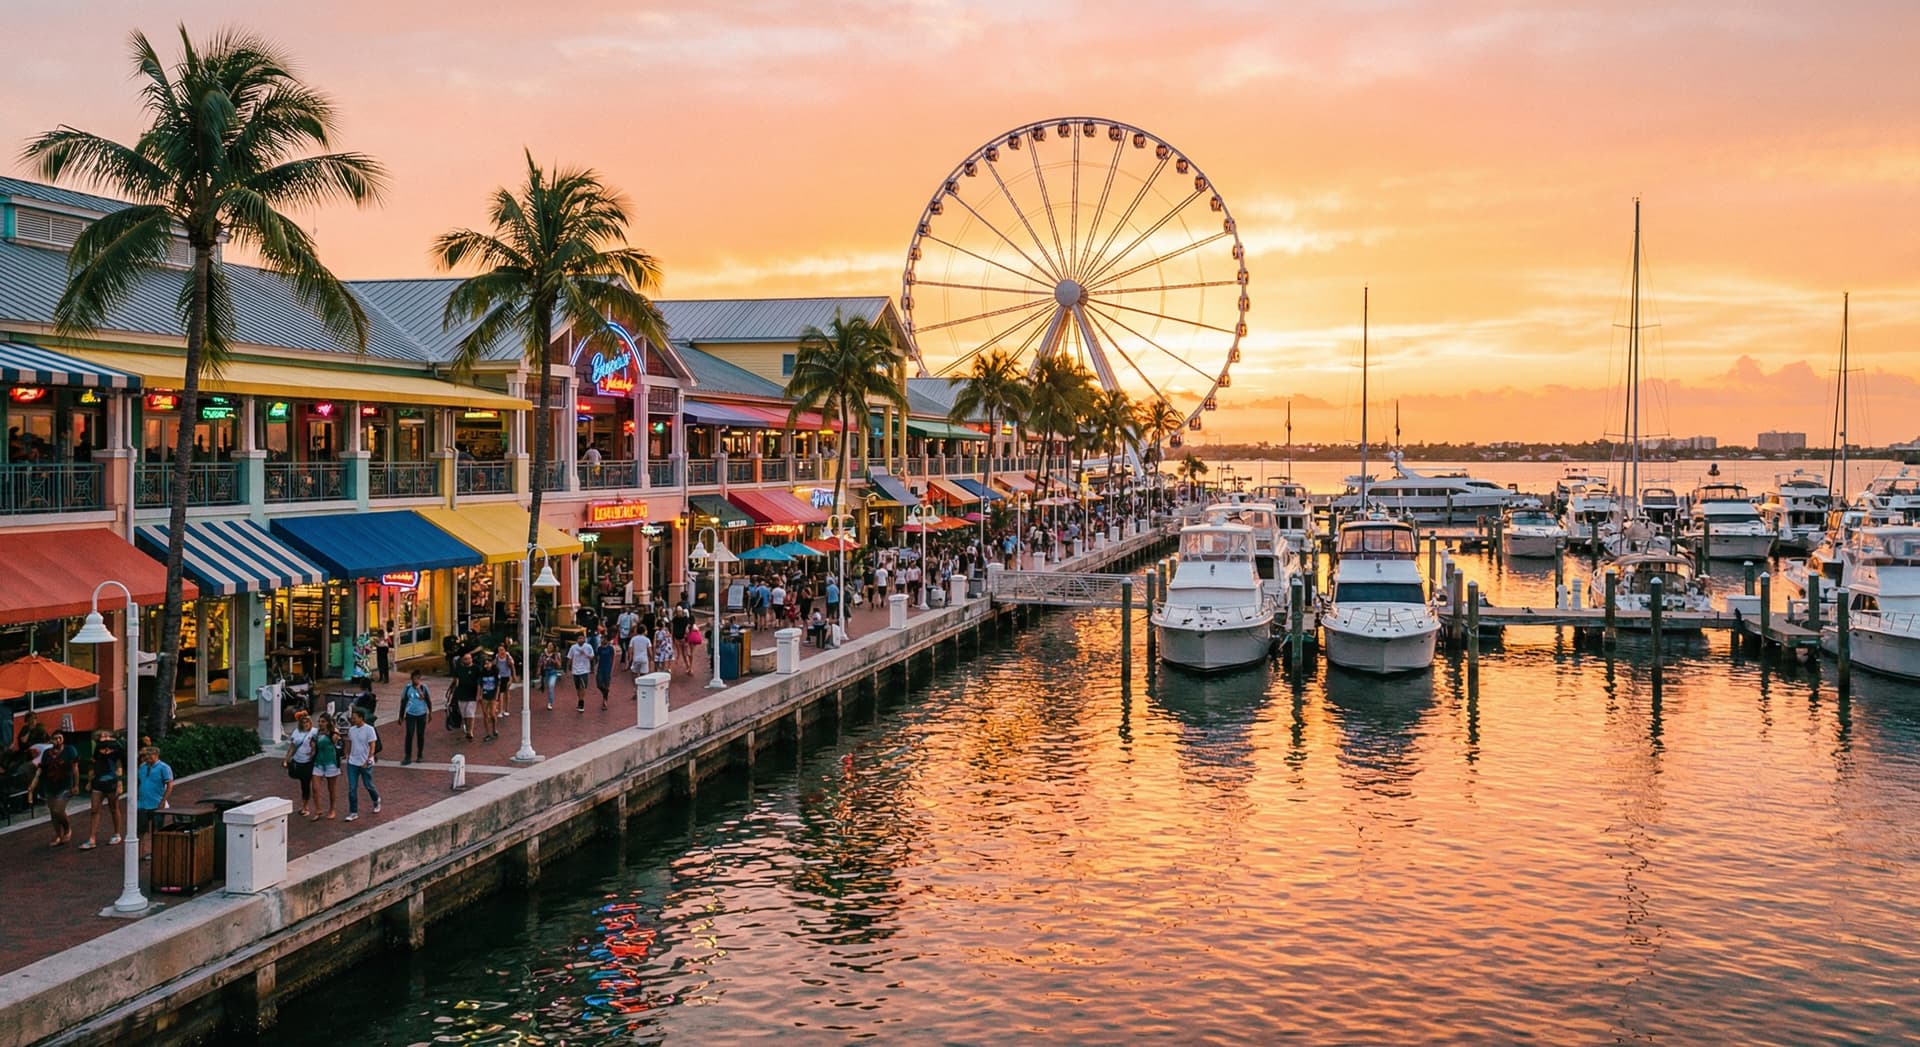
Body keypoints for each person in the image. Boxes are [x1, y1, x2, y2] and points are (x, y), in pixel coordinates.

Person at [27, 730, 79, 847]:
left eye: (60, 738)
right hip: (50, 786)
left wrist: (76, 785)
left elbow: (75, 768)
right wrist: (32, 785)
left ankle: (67, 829)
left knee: (58, 810)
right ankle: (58, 835)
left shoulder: (70, 750)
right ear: (51, 740)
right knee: (53, 813)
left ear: (63, 739)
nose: (57, 740)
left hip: (65, 785)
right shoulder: (47, 753)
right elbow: (40, 770)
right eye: (55, 738)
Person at [79, 730, 125, 849]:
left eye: (105, 735)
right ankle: (92, 838)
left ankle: (116, 833)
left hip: (112, 781)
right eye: (101, 736)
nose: (103, 737)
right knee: (94, 810)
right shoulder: (97, 749)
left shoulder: (117, 748)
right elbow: (93, 764)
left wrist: (119, 782)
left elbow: (119, 764)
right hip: (98, 781)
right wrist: (90, 781)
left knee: (114, 808)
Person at [343, 708, 381, 822]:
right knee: (352, 788)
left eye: (355, 718)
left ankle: (376, 799)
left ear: (361, 718)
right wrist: (347, 754)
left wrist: (368, 759)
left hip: (365, 762)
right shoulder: (352, 730)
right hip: (353, 762)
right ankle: (353, 812)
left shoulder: (369, 730)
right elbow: (350, 742)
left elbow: (372, 745)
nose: (353, 720)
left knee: (368, 784)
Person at [135, 745, 173, 859]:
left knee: (156, 829)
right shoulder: (142, 767)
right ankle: (140, 852)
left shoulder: (164, 767)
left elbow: (169, 785)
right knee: (141, 830)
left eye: (148, 755)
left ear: (156, 755)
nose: (146, 757)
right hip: (142, 804)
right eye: (145, 755)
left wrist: (163, 801)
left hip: (156, 804)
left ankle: (155, 852)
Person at [285, 712, 319, 818]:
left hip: (308, 762)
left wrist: (314, 750)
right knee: (301, 783)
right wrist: (286, 759)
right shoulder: (296, 732)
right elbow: (292, 747)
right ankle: (305, 804)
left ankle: (306, 806)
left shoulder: (314, 732)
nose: (306, 724)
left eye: (307, 722)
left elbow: (320, 742)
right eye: (303, 722)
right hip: (297, 760)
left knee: (306, 784)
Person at [313, 713, 342, 818]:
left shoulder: (333, 733)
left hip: (331, 763)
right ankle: (318, 810)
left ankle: (332, 809)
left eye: (323, 721)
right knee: (315, 788)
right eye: (319, 721)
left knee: (331, 788)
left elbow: (339, 744)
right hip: (318, 762)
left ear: (328, 723)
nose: (320, 724)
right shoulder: (317, 733)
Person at [400, 670, 431, 765]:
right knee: (409, 734)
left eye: (417, 678)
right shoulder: (408, 688)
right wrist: (401, 715)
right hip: (410, 714)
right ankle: (407, 756)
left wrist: (430, 713)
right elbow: (403, 701)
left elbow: (428, 700)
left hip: (422, 714)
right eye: (414, 678)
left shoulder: (423, 687)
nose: (415, 680)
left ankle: (420, 755)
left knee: (420, 735)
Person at [568, 633, 595, 713]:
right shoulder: (573, 647)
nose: (581, 640)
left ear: (585, 639)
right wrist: (568, 667)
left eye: (582, 638)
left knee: (583, 686)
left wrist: (585, 654)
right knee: (578, 688)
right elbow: (569, 657)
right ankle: (580, 699)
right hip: (575, 670)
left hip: (584, 670)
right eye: (579, 638)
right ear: (577, 639)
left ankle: (581, 702)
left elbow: (592, 657)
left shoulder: (588, 647)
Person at [595, 627, 616, 709]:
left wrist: (612, 670)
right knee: (599, 684)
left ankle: (605, 701)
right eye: (601, 639)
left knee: (607, 684)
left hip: (607, 668)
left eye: (603, 639)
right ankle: (605, 692)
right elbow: (597, 658)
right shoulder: (599, 648)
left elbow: (613, 659)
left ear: (607, 640)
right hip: (600, 668)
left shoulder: (611, 648)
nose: (602, 640)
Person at [493, 643, 516, 722]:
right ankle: (500, 710)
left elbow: (512, 666)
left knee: (506, 693)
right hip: (500, 677)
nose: (501, 652)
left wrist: (513, 676)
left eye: (502, 650)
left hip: (507, 677)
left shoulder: (508, 657)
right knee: (500, 693)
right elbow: (494, 665)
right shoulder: (497, 657)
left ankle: (506, 709)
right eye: (499, 650)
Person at [540, 642, 562, 711]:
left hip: (553, 672)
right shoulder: (543, 654)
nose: (550, 647)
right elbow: (540, 663)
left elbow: (559, 665)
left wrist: (554, 660)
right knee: (548, 687)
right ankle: (549, 699)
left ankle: (550, 703)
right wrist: (538, 671)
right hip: (545, 672)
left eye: (551, 646)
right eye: (549, 645)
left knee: (551, 686)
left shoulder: (556, 654)